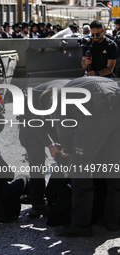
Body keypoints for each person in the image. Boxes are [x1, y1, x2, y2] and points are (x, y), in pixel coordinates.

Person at [41, 77, 120, 237]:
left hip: (100, 111)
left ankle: (81, 225)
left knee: (79, 170)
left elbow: (66, 137)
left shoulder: (55, 101)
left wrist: (69, 153)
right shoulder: (76, 86)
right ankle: (112, 221)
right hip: (115, 107)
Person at [18, 80, 69, 218]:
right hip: (30, 126)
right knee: (36, 160)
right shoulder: (31, 99)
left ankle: (52, 195)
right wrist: (49, 145)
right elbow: (35, 124)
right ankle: (37, 203)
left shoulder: (69, 97)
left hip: (58, 120)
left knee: (65, 154)